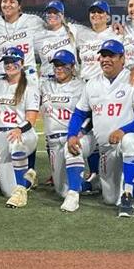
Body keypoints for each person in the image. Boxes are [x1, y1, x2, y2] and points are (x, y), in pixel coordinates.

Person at [63, 40, 134, 217]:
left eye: (111, 55)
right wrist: (72, 134)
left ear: (122, 58)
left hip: (129, 141)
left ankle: (128, 194)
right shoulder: (92, 83)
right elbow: (80, 114)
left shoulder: (133, 80)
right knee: (110, 199)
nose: (106, 59)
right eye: (103, 55)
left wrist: (123, 130)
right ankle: (73, 194)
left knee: (129, 141)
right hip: (104, 146)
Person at [0, 50, 40, 208]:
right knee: (7, 191)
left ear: (22, 64)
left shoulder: (30, 87)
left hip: (23, 133)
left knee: (16, 144)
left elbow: (31, 119)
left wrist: (19, 129)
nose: (10, 65)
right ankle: (27, 179)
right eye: (7, 62)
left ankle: (21, 192)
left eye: (14, 61)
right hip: (0, 135)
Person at [40, 49, 86, 199]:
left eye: (62, 65)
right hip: (53, 141)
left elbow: (90, 113)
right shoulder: (45, 85)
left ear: (72, 67)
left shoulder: (81, 86)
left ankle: (78, 189)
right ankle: (82, 185)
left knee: (68, 191)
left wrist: (82, 132)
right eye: (56, 65)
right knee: (60, 191)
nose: (58, 68)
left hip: (72, 137)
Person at [0, 0, 42, 78]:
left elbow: (51, 32)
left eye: (12, 2)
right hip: (0, 76)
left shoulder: (33, 21)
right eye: (4, 1)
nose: (7, 4)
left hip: (26, 75)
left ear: (19, 6)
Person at [74, 0, 115, 82]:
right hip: (84, 82)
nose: (96, 14)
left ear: (108, 16)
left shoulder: (116, 33)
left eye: (100, 12)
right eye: (93, 12)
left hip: (106, 82)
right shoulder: (80, 32)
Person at [35, 0, 76, 80]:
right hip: (46, 80)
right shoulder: (38, 36)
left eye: (55, 12)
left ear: (62, 15)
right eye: (49, 13)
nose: (52, 15)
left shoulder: (73, 30)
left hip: (69, 81)